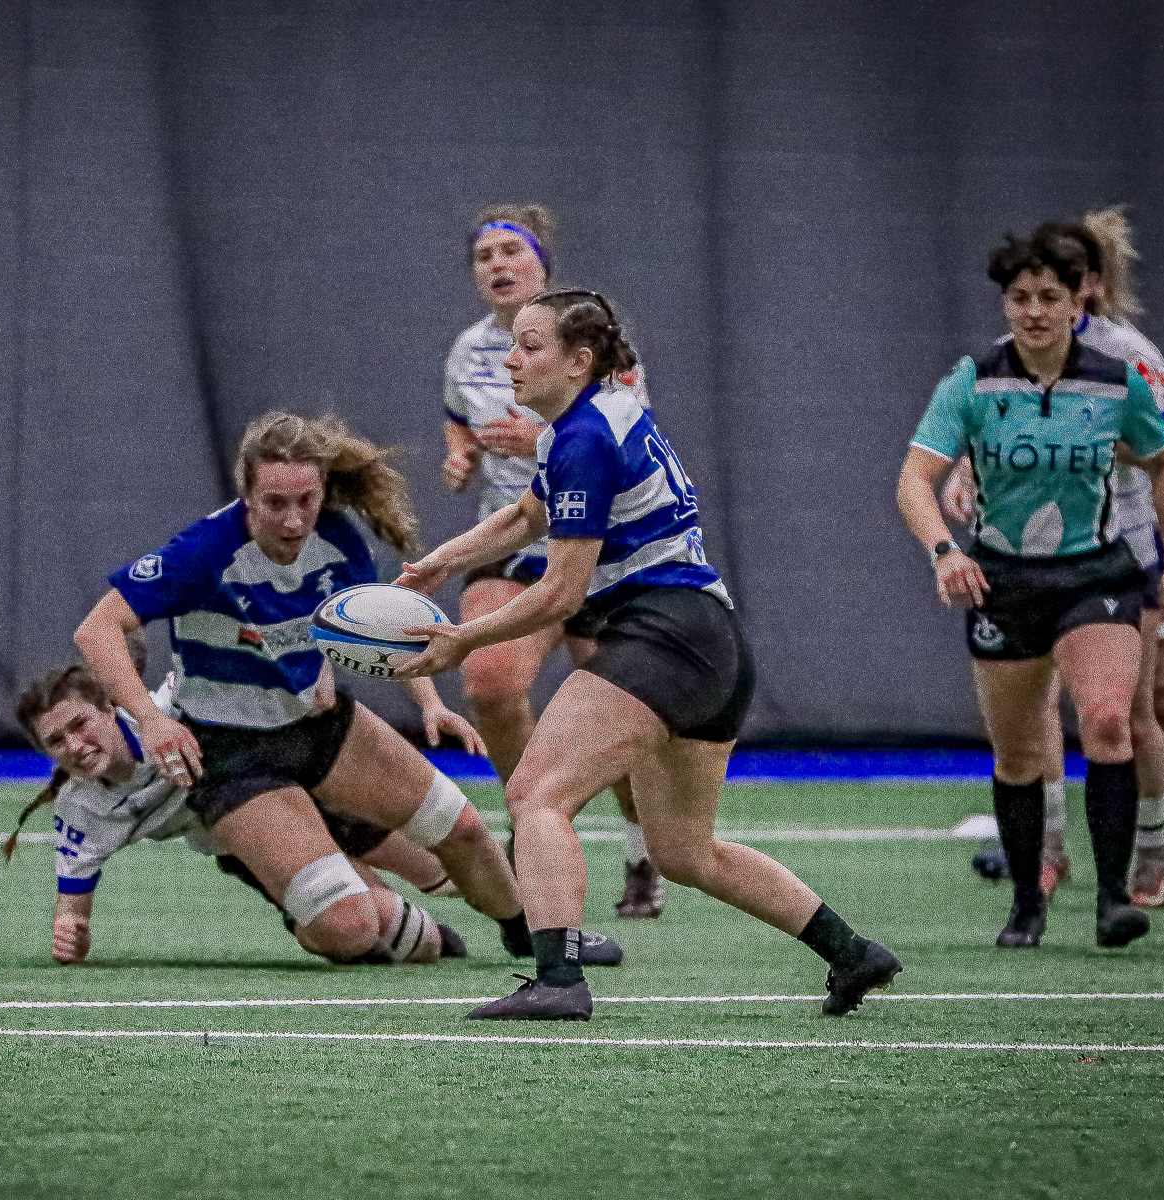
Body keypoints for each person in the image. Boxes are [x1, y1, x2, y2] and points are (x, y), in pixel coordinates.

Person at [398, 288, 898, 1021]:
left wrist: (462, 641)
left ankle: (558, 980)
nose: (512, 358)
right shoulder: (596, 419)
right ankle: (853, 952)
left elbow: (561, 594)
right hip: (712, 642)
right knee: (685, 852)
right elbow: (526, 516)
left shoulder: (583, 439)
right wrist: (444, 559)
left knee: (537, 793)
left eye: (531, 345)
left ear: (580, 359)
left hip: (664, 636)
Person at [74, 411, 621, 968]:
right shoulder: (202, 553)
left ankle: (533, 935)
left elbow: (380, 633)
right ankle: (279, 867)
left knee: (461, 829)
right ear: (246, 495)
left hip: (322, 728)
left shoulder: (335, 539)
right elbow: (97, 628)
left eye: (306, 501)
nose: (293, 520)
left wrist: (431, 702)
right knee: (350, 928)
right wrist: (152, 717)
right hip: (232, 755)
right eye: (275, 503)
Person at [897, 229, 1164, 950]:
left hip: (1098, 573)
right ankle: (1028, 902)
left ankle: (1114, 899)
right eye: (1019, 297)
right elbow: (913, 480)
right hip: (1005, 581)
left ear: (1077, 300)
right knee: (1019, 755)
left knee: (1109, 722)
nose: (1032, 311)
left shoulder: (1117, 383)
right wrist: (944, 552)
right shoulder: (973, 381)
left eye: (1048, 298)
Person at [442, 204, 662, 918]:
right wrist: (460, 453)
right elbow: (459, 415)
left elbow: (621, 426)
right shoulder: (468, 350)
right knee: (488, 679)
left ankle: (639, 849)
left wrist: (537, 434)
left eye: (512, 251)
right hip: (511, 542)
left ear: (542, 264)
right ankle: (528, 824)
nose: (498, 265)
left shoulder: (585, 339)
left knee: (613, 714)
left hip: (596, 546)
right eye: (485, 256)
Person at [7, 658, 465, 965]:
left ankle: (525, 906)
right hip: (249, 841)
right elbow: (72, 908)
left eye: (79, 724)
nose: (75, 746)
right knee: (370, 928)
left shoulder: (174, 705)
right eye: (56, 741)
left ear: (109, 709)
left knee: (446, 871)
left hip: (301, 790)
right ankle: (434, 937)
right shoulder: (81, 809)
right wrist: (71, 931)